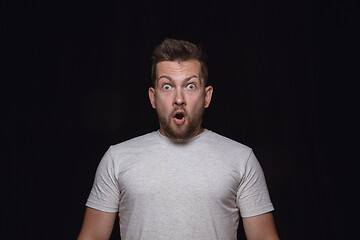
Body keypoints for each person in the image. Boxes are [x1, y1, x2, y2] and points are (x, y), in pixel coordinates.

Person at [78, 38, 279, 240]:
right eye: (167, 87)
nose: (179, 98)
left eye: (190, 86)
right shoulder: (117, 158)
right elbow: (92, 236)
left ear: (207, 96)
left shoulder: (241, 159)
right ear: (153, 97)